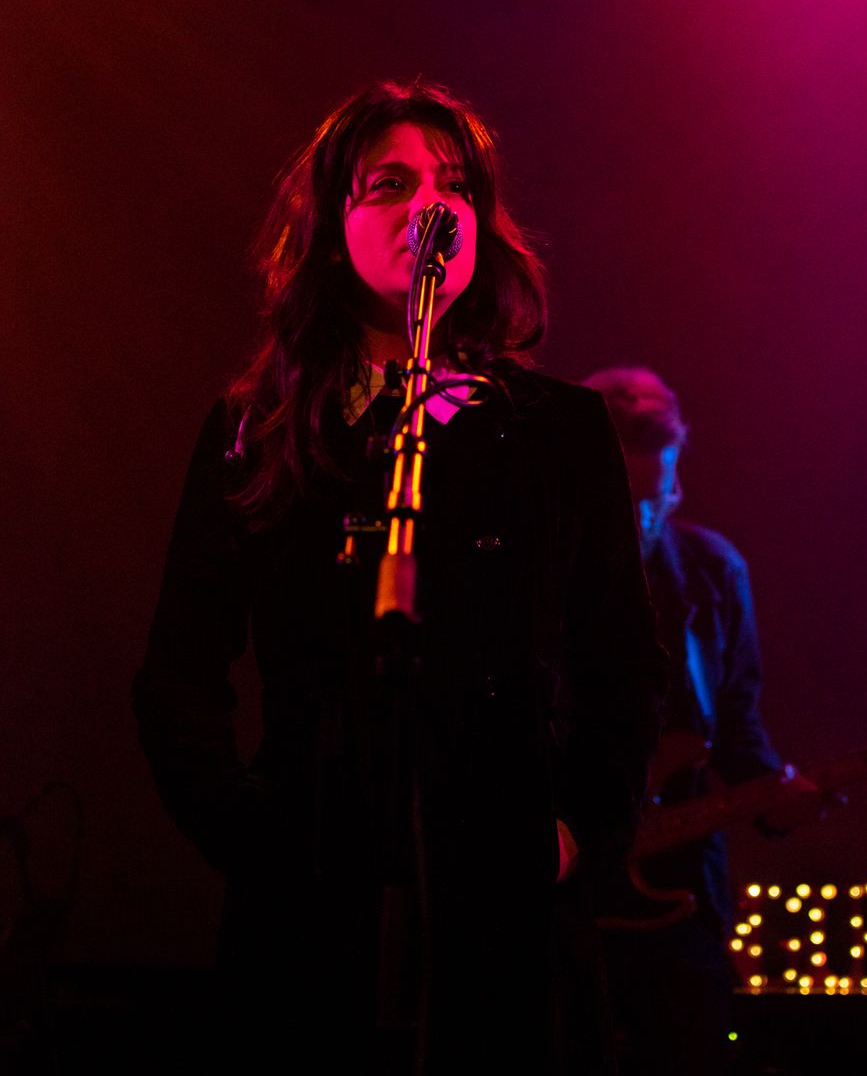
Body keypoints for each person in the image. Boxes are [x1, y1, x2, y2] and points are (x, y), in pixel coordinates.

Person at [132, 81, 665, 1076]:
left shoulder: (557, 432)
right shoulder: (258, 430)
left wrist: (577, 833)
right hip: (312, 915)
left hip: (506, 912)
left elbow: (622, 666)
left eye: (454, 184)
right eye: (391, 184)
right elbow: (178, 675)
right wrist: (254, 838)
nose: (432, 205)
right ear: (332, 227)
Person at [582, 367, 823, 1076]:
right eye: (621, 503)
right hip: (560, 896)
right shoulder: (538, 576)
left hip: (683, 894)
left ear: (675, 486)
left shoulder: (713, 572)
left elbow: (737, 727)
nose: (640, 522)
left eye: (652, 500)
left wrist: (773, 797)